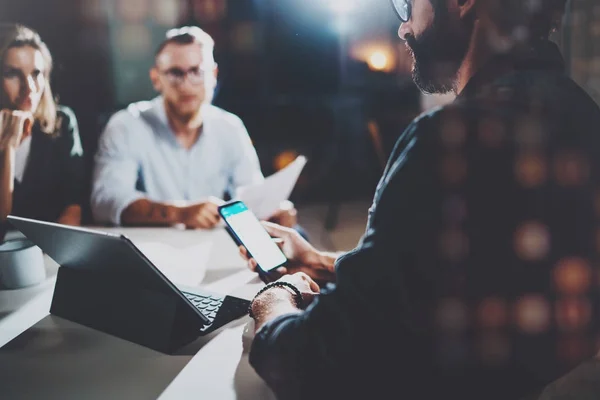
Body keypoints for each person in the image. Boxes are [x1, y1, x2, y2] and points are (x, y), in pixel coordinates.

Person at [241, 0, 600, 399]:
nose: (402, 27)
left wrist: (274, 299)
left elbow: (312, 364)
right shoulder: (581, 114)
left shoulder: (449, 139)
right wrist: (319, 261)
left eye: (408, 4)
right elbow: (457, 273)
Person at [91, 26, 298, 230]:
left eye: (197, 71)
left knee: (295, 236)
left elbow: (251, 192)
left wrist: (272, 211)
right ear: (156, 78)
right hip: (150, 249)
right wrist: (179, 213)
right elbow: (105, 200)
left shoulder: (229, 127)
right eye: (175, 73)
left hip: (214, 246)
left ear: (214, 75)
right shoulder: (127, 125)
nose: (186, 84)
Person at [0, 24, 84, 239]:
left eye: (36, 74)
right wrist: (8, 148)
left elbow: (73, 205)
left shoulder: (61, 122)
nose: (29, 87)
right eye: (13, 74)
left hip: (46, 253)